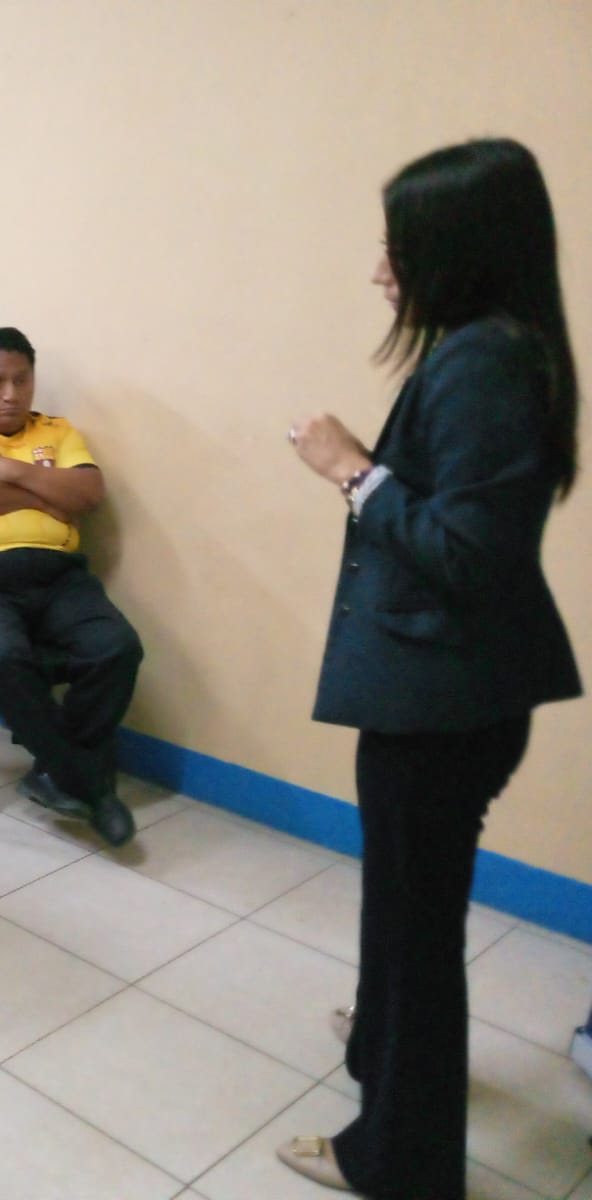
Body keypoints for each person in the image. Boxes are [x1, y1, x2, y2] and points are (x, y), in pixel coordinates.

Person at [279, 138, 581, 1198]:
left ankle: (398, 1160)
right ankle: (381, 1044)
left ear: (459, 250)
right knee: (404, 911)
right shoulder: (490, 348)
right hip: (445, 690)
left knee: (416, 935)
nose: (380, 270)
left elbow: (466, 553)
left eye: (397, 248)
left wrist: (351, 470)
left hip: (443, 704)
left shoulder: (487, 362)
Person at [0, 327, 142, 846]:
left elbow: (88, 492)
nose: (11, 394)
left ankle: (54, 772)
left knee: (117, 647)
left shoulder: (58, 431)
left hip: (57, 577)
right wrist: (44, 495)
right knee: (0, 655)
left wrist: (7, 470)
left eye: (22, 380)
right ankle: (87, 783)